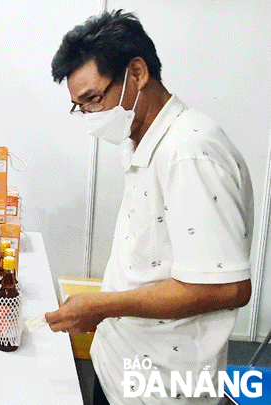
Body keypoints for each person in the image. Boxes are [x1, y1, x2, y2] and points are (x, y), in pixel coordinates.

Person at [45, 10, 253, 405]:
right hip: (122, 365)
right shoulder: (140, 140)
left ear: (137, 73)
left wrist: (103, 305)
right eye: (80, 106)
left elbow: (228, 286)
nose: (90, 116)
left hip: (161, 388)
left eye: (93, 98)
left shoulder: (189, 151)